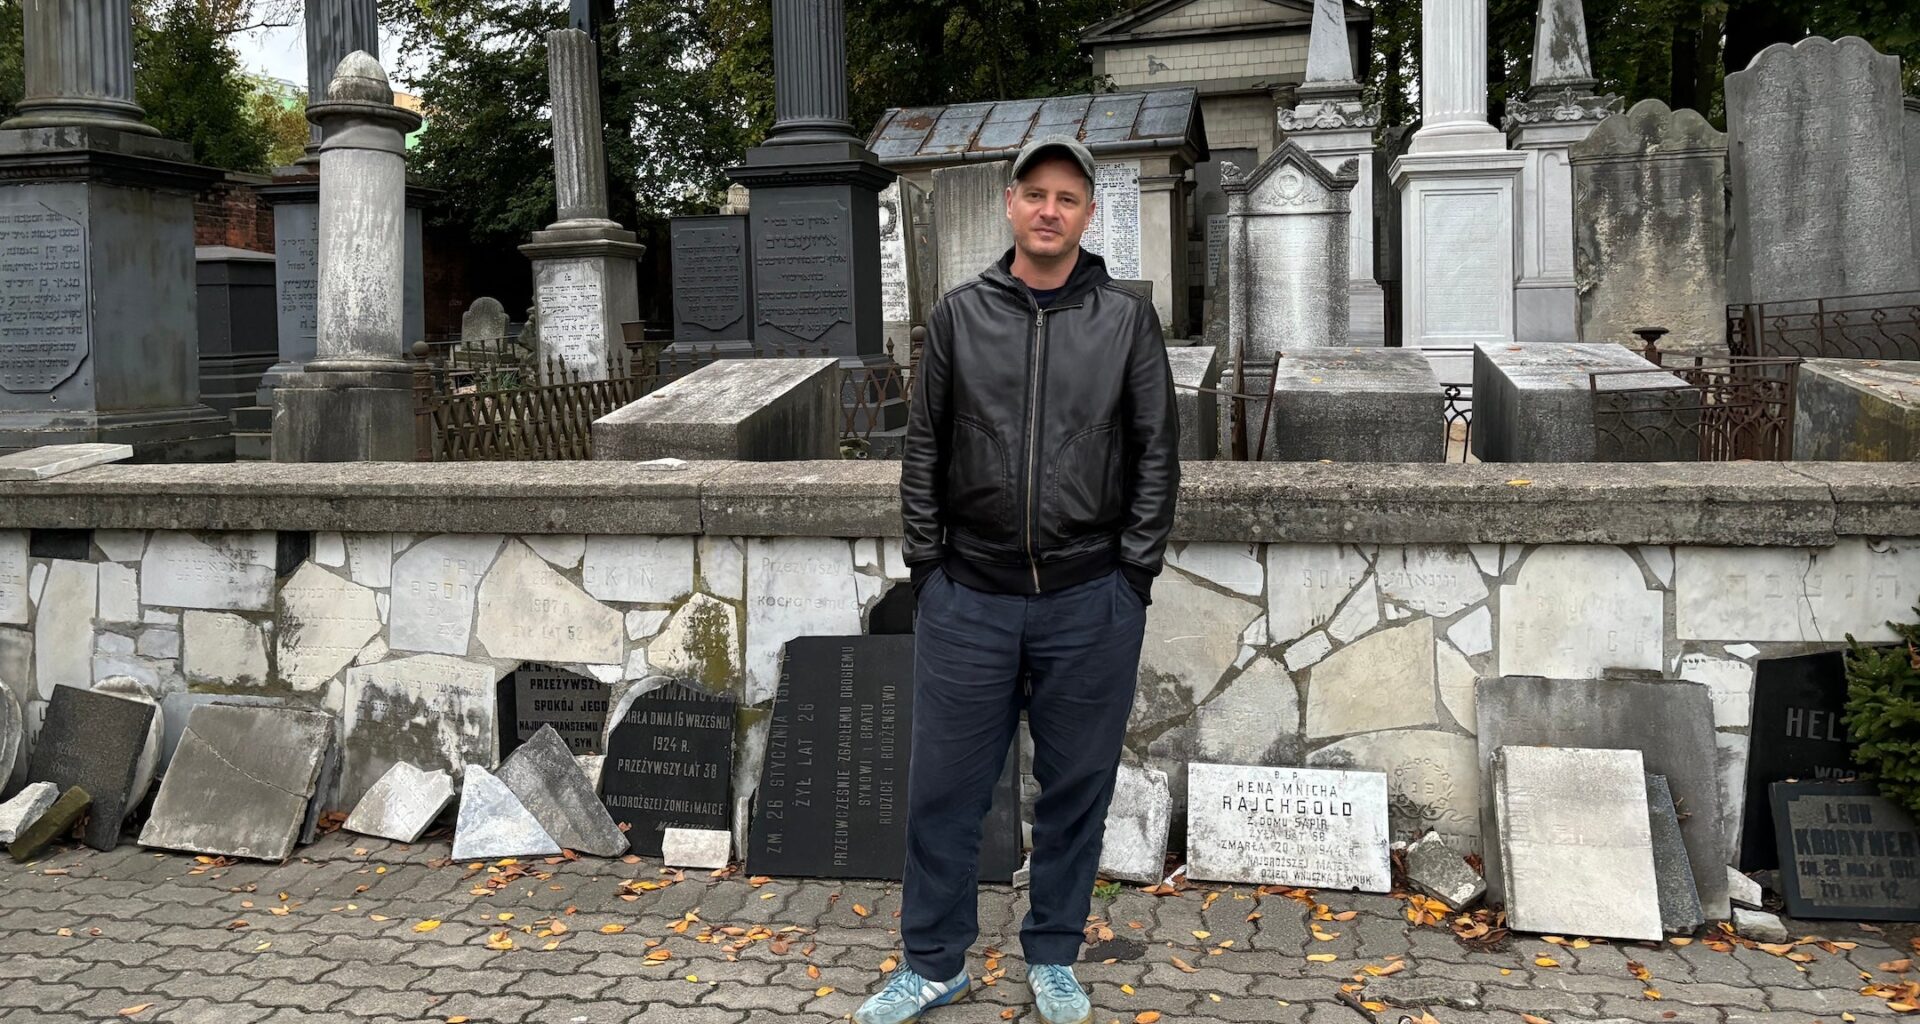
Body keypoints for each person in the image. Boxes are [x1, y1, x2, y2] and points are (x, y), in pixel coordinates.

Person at [855, 135, 1180, 1024]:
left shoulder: (1123, 320)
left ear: (1087, 213)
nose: (1048, 209)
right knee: (944, 794)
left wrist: (1134, 578)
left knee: (1076, 791)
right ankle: (933, 963)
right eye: (1034, 193)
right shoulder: (960, 316)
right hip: (971, 597)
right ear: (1010, 204)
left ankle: (1055, 956)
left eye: (1066, 197)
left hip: (1090, 600)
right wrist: (930, 571)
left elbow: (1156, 454)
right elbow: (923, 452)